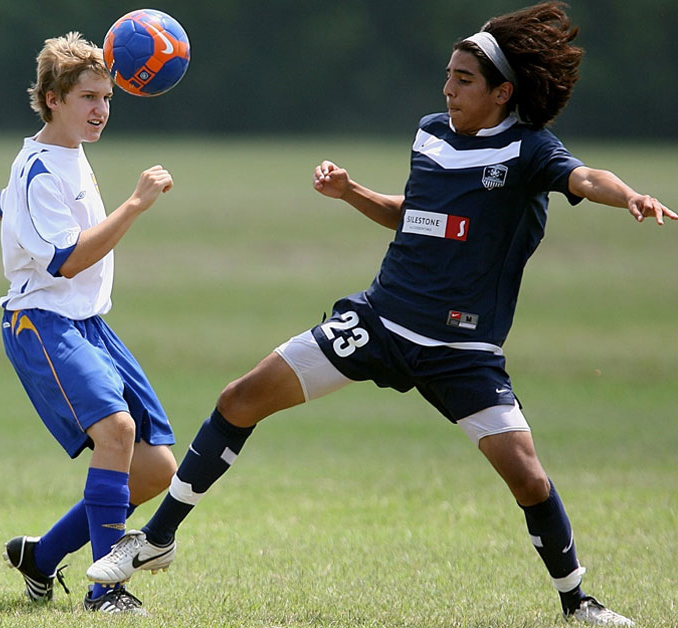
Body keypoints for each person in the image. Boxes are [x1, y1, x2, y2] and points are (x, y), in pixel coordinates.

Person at [86, 3, 673, 625]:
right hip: (378, 321)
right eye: (448, 74)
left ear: (503, 92)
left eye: (465, 80)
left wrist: (630, 195)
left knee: (528, 479)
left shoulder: (529, 152)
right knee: (240, 398)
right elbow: (415, 214)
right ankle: (155, 540)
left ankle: (577, 602)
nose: (448, 88)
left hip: (460, 352)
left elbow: (585, 177)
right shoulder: (430, 134)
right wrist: (351, 192)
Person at [0, 31, 178, 615]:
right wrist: (135, 204)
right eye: (88, 98)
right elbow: (65, 259)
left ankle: (42, 557)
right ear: (52, 98)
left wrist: (7, 205)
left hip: (89, 322)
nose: (100, 109)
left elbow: (5, 202)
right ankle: (106, 592)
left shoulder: (65, 156)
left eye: (107, 98)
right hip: (42, 322)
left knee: (153, 469)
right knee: (117, 432)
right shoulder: (41, 169)